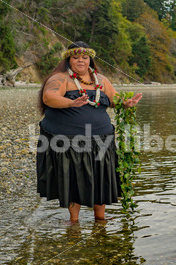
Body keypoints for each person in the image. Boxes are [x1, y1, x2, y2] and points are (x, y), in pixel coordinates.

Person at [36, 41, 142, 222]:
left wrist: (126, 103)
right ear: (68, 59)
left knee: (100, 178)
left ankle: (100, 221)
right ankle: (74, 223)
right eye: (75, 57)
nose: (80, 61)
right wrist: (71, 102)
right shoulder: (60, 78)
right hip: (69, 142)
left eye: (85, 58)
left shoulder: (101, 80)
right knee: (73, 180)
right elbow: (48, 97)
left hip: (101, 139)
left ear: (90, 60)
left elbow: (115, 99)